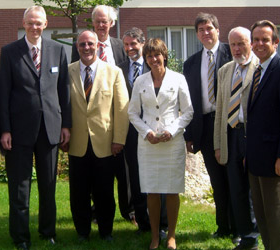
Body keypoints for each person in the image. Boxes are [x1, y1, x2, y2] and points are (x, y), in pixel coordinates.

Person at [0, 6, 71, 250]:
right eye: (30, 23)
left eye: (39, 23)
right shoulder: (9, 52)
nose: (34, 27)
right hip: (18, 131)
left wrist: (66, 125)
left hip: (50, 129)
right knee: (20, 187)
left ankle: (47, 231)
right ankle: (20, 237)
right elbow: (4, 93)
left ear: (46, 24)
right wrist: (5, 129)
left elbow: (64, 92)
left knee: (48, 186)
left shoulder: (59, 50)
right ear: (24, 23)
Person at [128, 38, 193, 250]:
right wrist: (147, 132)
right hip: (148, 145)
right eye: (149, 56)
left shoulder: (178, 79)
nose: (154, 59)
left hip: (171, 143)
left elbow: (188, 111)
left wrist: (172, 130)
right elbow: (132, 113)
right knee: (152, 191)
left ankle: (171, 236)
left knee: (172, 190)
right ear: (145, 59)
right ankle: (155, 236)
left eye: (157, 55)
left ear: (164, 55)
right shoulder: (140, 81)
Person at [67, 30, 129, 241]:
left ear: (98, 46)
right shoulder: (68, 72)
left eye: (90, 44)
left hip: (105, 143)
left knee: (104, 191)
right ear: (77, 47)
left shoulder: (114, 72)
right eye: (82, 44)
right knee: (78, 192)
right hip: (77, 143)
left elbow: (122, 109)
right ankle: (82, 231)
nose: (86, 48)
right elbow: (61, 106)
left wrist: (119, 139)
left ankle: (106, 231)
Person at [246, 20, 280, 250]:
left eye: (265, 40)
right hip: (257, 162)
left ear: (276, 43)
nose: (259, 44)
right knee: (264, 221)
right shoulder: (258, 70)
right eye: (256, 40)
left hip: (276, 163)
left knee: (277, 224)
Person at [183, 12, 236, 240]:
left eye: (209, 28)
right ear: (197, 34)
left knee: (234, 179)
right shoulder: (191, 63)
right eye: (201, 30)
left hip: (230, 126)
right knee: (217, 180)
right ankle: (223, 227)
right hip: (204, 127)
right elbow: (188, 102)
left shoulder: (231, 54)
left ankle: (240, 228)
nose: (206, 33)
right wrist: (189, 134)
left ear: (217, 30)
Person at [117, 27, 168, 237]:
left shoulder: (153, 66)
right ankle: (142, 220)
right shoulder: (118, 69)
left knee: (158, 175)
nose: (130, 48)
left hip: (154, 131)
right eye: (126, 45)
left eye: (133, 44)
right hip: (129, 131)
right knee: (135, 177)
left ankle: (163, 222)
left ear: (142, 43)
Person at [214, 27, 259, 250]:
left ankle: (254, 233)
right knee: (236, 187)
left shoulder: (260, 68)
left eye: (241, 43)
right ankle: (243, 234)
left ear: (250, 43)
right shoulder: (224, 70)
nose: (237, 48)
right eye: (233, 44)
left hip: (251, 135)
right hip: (230, 134)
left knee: (253, 187)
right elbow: (220, 109)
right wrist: (218, 144)